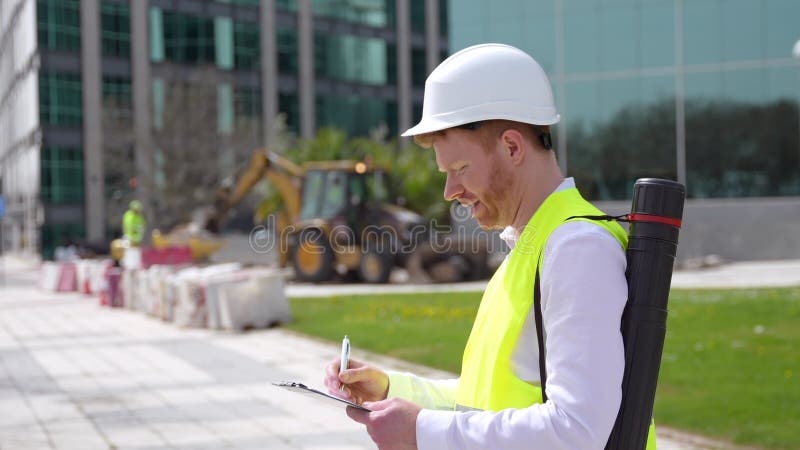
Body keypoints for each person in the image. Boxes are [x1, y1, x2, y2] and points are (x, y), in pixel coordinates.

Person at [323, 43, 657, 450]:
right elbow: (481, 401)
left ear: (513, 147)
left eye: (460, 169)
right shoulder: (532, 245)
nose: (450, 191)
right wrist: (392, 388)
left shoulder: (576, 250)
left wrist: (422, 433)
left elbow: (577, 429)